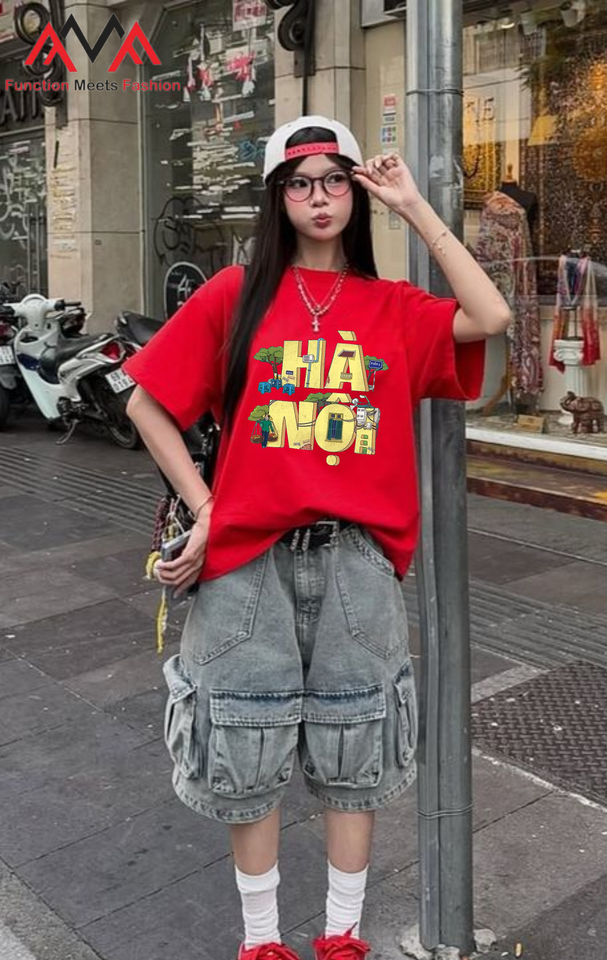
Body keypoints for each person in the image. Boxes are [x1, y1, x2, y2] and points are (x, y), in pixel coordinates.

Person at [124, 115, 511, 960]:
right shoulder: (236, 295)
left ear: (355, 193)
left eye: (335, 181)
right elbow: (145, 402)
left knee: (353, 749)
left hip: (356, 564)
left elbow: (489, 313)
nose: (319, 198)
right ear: (277, 199)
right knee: (245, 750)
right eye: (299, 184)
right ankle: (261, 942)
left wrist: (412, 206)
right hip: (247, 566)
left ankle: (342, 938)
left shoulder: (391, 307)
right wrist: (205, 506)